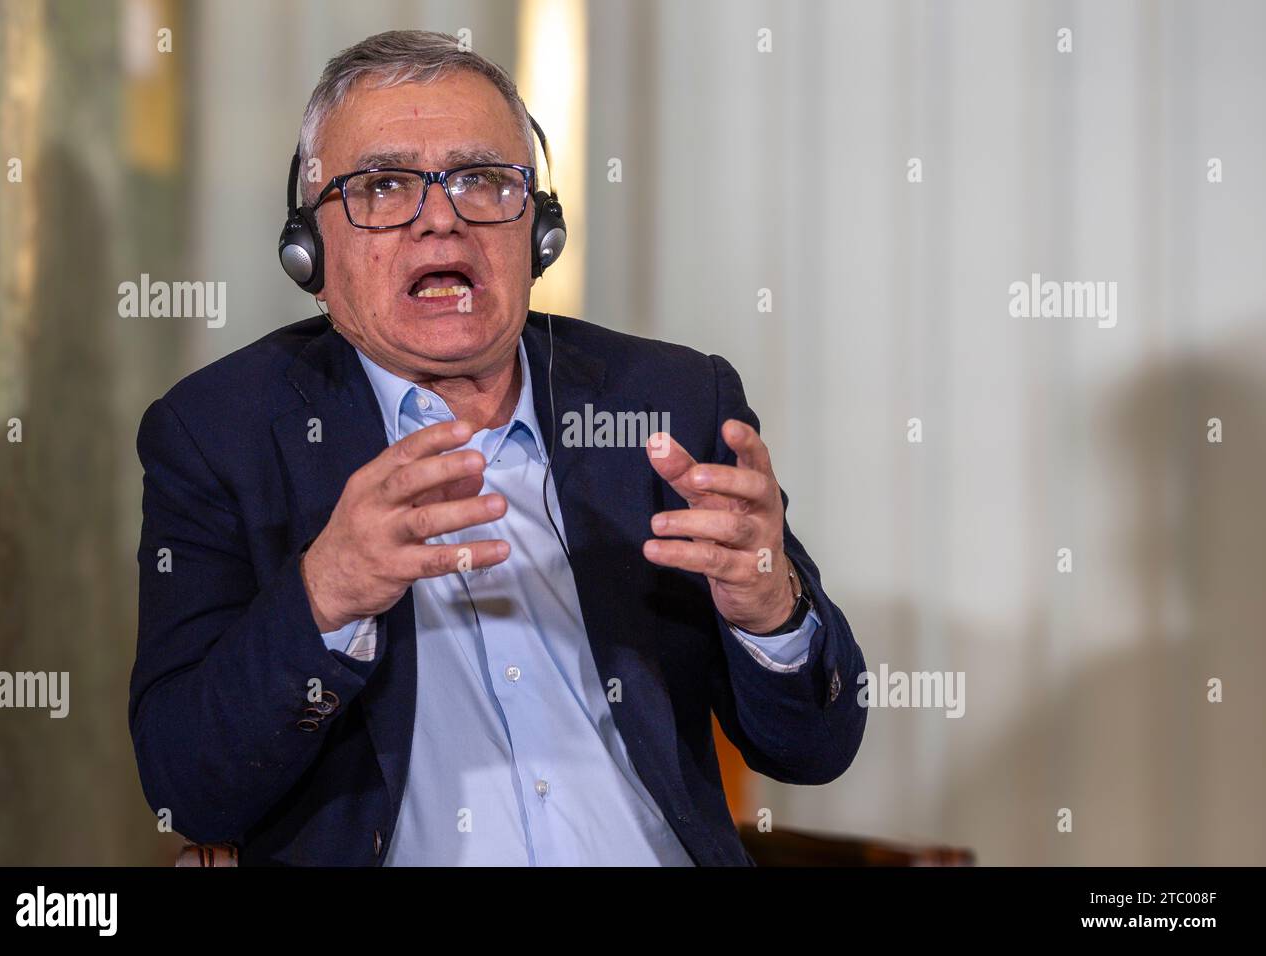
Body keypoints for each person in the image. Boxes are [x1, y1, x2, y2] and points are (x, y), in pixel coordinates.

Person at [129, 29, 866, 866]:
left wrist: (771, 610)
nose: (440, 219)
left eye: (482, 181)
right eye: (382, 185)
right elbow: (185, 783)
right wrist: (326, 593)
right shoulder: (218, 434)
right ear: (310, 251)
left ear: (539, 233)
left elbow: (818, 747)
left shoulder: (670, 403)